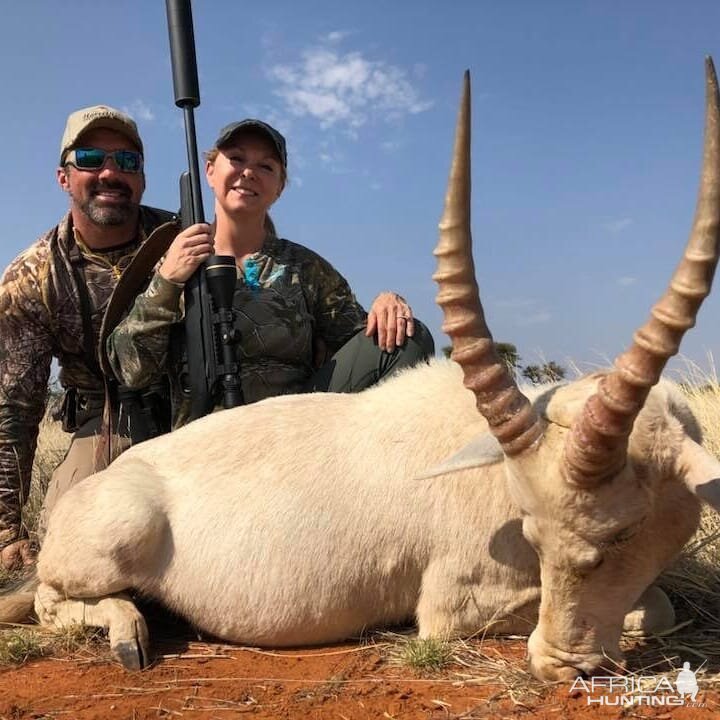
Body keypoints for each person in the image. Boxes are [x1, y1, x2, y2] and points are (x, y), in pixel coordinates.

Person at [107, 119, 434, 426]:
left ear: (279, 187)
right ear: (209, 171)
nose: (248, 172)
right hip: (200, 450)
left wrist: (388, 303)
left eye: (266, 166)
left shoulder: (306, 268)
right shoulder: (171, 259)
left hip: (292, 441)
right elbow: (130, 371)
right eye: (236, 158)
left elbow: (365, 340)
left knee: (410, 337)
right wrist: (168, 282)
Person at [0, 105, 175, 570]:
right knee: (76, 541)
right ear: (63, 177)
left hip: (192, 404)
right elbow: (14, 410)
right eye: (92, 158)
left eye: (127, 162)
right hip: (107, 418)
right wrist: (6, 532)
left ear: (142, 179)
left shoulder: (184, 235)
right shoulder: (31, 277)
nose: (110, 173)